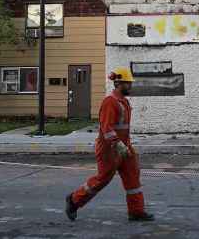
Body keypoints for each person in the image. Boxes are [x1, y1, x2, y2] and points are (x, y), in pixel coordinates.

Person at [65, 67, 154, 222]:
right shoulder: (110, 102)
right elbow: (107, 128)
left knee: (133, 177)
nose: (130, 86)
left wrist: (125, 146)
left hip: (124, 148)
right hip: (109, 150)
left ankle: (136, 212)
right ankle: (74, 200)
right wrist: (118, 144)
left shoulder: (124, 102)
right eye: (127, 83)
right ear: (118, 83)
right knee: (102, 179)